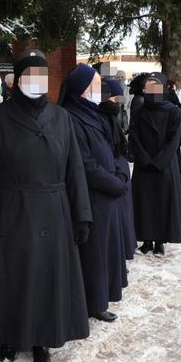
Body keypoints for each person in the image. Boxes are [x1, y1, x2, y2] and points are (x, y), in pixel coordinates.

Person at [0, 50, 91, 362]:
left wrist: (82, 214)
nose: (34, 83)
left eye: (40, 77)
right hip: (12, 211)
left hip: (55, 212)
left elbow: (75, 171)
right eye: (28, 76)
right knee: (12, 278)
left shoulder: (62, 118)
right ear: (16, 80)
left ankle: (42, 338)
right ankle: (11, 337)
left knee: (46, 279)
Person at [60, 64, 127, 323]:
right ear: (82, 90)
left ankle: (102, 297)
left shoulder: (92, 113)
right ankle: (93, 302)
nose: (99, 92)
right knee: (94, 254)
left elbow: (109, 149)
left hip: (106, 193)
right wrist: (113, 182)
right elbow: (84, 164)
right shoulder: (71, 117)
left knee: (105, 251)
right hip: (91, 195)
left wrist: (119, 172)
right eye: (95, 87)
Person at [129, 73, 181, 256]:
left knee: (163, 203)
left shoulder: (173, 111)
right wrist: (144, 158)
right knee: (144, 203)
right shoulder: (139, 110)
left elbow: (173, 140)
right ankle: (146, 239)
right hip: (143, 165)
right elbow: (134, 135)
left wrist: (159, 161)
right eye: (149, 88)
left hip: (165, 165)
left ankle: (160, 240)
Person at [100, 78, 137, 262]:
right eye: (114, 98)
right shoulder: (102, 119)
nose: (117, 103)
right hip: (113, 173)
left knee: (124, 215)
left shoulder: (114, 116)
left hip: (121, 171)